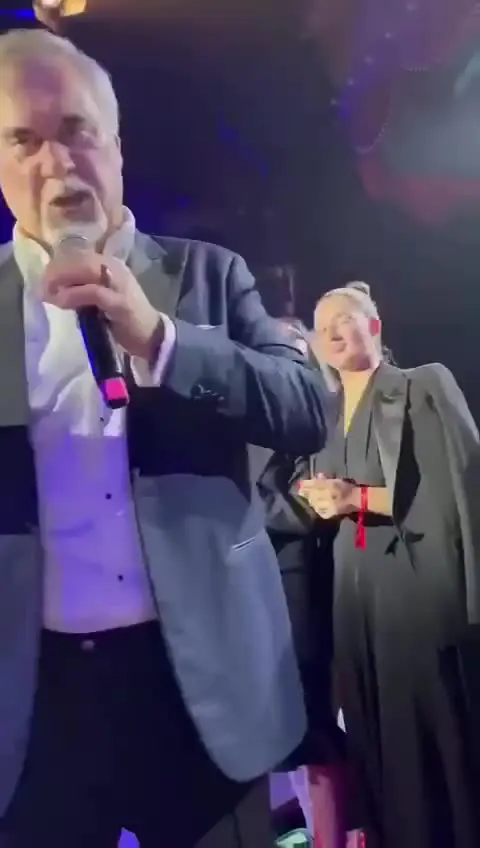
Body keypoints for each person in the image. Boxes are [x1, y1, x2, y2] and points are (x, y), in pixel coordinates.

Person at [0, 28, 329, 848]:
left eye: (76, 130)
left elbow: (306, 407)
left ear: (116, 146)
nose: (56, 162)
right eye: (23, 140)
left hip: (202, 690)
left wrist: (160, 339)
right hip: (35, 703)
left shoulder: (209, 275)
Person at [296, 282, 480, 848]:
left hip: (411, 586)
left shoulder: (421, 386)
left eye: (345, 318)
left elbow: (454, 493)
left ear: (374, 327)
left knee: (428, 729)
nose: (332, 330)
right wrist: (314, 496)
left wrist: (358, 498)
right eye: (322, 325)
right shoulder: (323, 417)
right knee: (372, 732)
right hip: (351, 592)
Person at [256, 318, 349, 848]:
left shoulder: (317, 413)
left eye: (294, 348)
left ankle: (333, 836)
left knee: (310, 724)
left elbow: (304, 501)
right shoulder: (246, 409)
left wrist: (272, 509)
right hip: (245, 580)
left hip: (295, 574)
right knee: (279, 733)